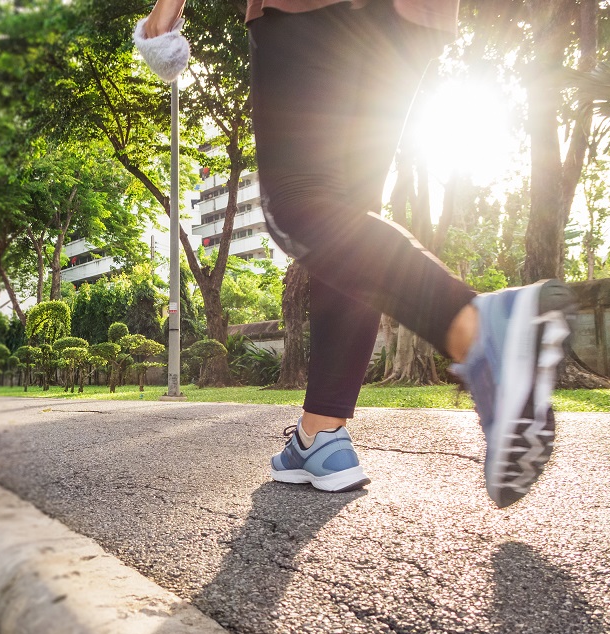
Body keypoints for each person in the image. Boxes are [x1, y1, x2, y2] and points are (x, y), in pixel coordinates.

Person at [137, 0, 574, 508]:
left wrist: (164, 14)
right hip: (413, 17)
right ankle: (320, 432)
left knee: (297, 205)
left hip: (309, 10)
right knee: (346, 217)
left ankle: (476, 326)